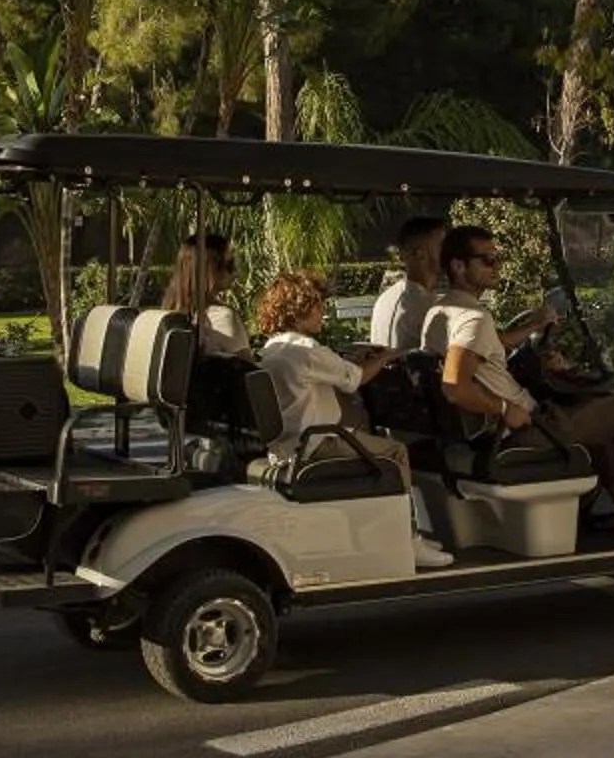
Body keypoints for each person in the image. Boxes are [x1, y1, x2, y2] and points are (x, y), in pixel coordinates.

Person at [424, 224, 614, 543]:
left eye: (498, 258)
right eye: (487, 260)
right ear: (458, 266)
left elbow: (491, 345)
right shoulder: (473, 320)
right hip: (524, 431)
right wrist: (506, 408)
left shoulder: (444, 310)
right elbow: (454, 386)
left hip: (493, 432)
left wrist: (535, 326)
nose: (497, 266)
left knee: (602, 425)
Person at [254, 271, 449, 570]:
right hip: (319, 443)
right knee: (395, 452)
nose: (323, 312)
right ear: (299, 309)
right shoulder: (307, 350)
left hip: (287, 446)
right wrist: (385, 357)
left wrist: (358, 359)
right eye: (317, 305)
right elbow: (356, 380)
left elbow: (336, 372)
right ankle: (409, 539)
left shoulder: (272, 349)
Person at [367, 215, 448, 359]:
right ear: (419, 253)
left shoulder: (386, 298)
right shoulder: (427, 306)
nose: (449, 253)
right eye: (442, 245)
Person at [160, 233, 247, 354]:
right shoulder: (223, 317)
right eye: (230, 265)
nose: (235, 272)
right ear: (210, 270)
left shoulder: (166, 319)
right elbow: (249, 369)